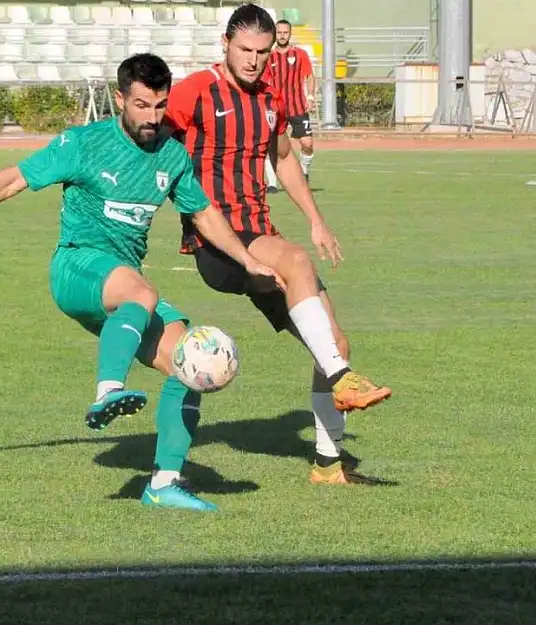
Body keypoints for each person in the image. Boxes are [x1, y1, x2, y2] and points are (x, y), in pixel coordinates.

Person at [0, 53, 283, 512]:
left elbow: (204, 213)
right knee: (142, 292)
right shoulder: (84, 143)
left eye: (160, 106)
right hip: (76, 269)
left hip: (124, 293)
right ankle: (108, 390)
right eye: (142, 105)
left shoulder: (172, 154)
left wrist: (246, 259)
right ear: (119, 99)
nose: (152, 117)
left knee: (189, 363)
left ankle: (163, 483)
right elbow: (14, 179)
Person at [164, 3, 392, 486]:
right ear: (225, 44)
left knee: (335, 342)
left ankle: (328, 466)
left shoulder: (269, 98)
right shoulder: (195, 91)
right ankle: (341, 379)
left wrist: (315, 218)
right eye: (244, 49)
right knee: (294, 260)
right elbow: (151, 141)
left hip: (260, 233)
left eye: (262, 52)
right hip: (217, 243)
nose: (253, 60)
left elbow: (283, 158)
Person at [263, 18, 316, 191]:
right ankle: (272, 183)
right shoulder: (269, 56)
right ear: (274, 34)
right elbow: (263, 81)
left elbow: (309, 76)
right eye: (279, 32)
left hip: (298, 106)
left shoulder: (300, 54)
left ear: (290, 34)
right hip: (276, 109)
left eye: (285, 32)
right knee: (271, 145)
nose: (283, 35)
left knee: (307, 143)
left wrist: (310, 97)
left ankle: (304, 171)